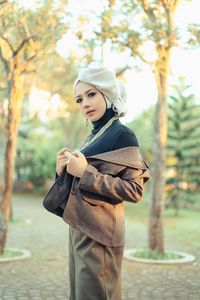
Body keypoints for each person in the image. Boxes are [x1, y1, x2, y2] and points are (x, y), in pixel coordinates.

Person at [55, 62, 150, 300]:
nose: (85, 103)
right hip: (79, 230)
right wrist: (61, 172)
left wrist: (86, 173)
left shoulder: (122, 134)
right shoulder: (93, 135)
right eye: (79, 99)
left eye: (91, 94)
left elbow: (135, 189)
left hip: (101, 236)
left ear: (107, 92)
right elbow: (79, 182)